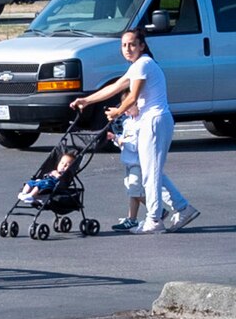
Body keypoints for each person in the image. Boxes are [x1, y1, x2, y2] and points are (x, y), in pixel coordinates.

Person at [71, 29, 197, 232]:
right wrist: (86, 100)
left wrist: (118, 112)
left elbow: (132, 96)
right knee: (152, 172)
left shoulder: (144, 64)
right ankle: (183, 209)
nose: (127, 49)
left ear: (141, 45)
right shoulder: (137, 66)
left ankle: (154, 220)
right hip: (152, 122)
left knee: (151, 174)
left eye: (131, 44)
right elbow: (114, 88)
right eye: (123, 45)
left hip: (154, 122)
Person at [105, 111, 147, 232]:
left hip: (137, 163)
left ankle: (157, 210)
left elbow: (134, 145)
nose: (126, 110)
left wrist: (119, 139)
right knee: (132, 191)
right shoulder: (127, 122)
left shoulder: (140, 124)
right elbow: (123, 143)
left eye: (129, 106)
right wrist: (115, 139)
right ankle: (132, 219)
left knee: (134, 190)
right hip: (129, 162)